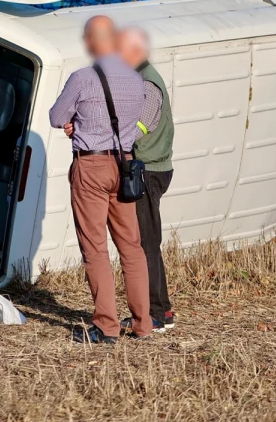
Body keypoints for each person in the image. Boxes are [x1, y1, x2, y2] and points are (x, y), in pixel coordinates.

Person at [49, 15, 163, 344]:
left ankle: (106, 326)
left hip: (92, 165)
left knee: (96, 248)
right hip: (125, 165)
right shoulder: (136, 80)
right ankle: (143, 323)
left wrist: (76, 124)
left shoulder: (83, 78)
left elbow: (57, 116)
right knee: (132, 247)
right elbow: (143, 120)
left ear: (92, 42)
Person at [117, 26, 176, 333]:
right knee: (145, 242)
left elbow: (139, 127)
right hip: (152, 168)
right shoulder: (141, 78)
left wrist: (106, 138)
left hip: (149, 171)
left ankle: (157, 313)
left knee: (146, 244)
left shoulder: (148, 84)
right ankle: (160, 309)